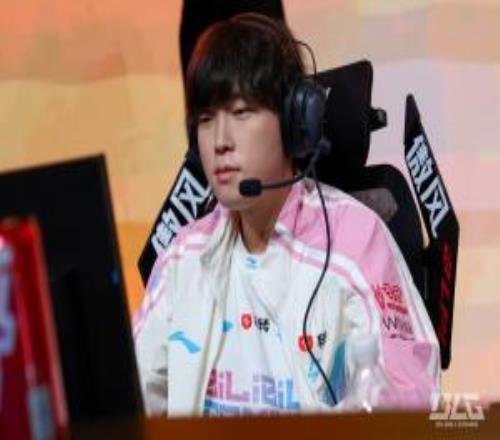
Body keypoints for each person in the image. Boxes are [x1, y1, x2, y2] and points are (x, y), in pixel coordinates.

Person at [133, 12, 440, 417]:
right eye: (206, 120)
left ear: (297, 122)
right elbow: (130, 398)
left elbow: (410, 401)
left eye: (241, 112)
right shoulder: (183, 256)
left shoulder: (357, 242)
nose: (220, 141)